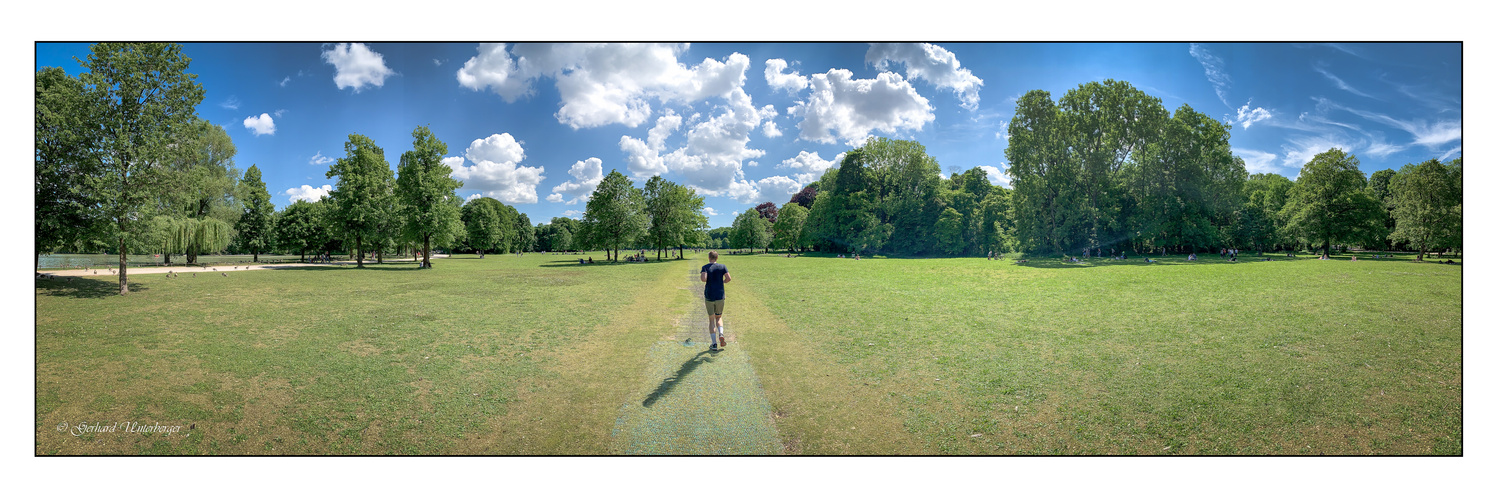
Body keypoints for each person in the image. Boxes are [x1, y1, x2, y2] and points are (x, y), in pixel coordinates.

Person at [700, 251, 732, 351]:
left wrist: (705, 273)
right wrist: (721, 282)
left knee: (711, 319)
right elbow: (728, 278)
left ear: (709, 258)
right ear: (717, 258)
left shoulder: (705, 267)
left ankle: (714, 344)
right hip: (720, 296)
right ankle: (721, 333)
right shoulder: (723, 267)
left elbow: (703, 279)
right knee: (719, 317)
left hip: (709, 296)